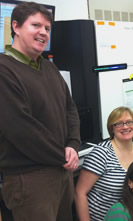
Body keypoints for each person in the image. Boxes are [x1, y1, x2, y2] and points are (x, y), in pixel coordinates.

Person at [0, 2, 80, 221]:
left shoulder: (48, 66)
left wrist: (73, 144)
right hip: (30, 178)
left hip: (61, 170)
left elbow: (69, 108)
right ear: (16, 27)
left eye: (47, 28)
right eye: (36, 25)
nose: (43, 32)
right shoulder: (4, 69)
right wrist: (61, 154)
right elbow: (20, 127)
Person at [75, 107, 133, 221]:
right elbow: (80, 193)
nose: (125, 127)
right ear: (112, 128)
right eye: (119, 124)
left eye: (129, 122)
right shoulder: (101, 153)